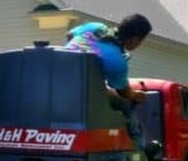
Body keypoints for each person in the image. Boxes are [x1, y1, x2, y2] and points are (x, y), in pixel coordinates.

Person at [64, 14, 152, 147]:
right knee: (126, 103)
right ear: (135, 38)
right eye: (142, 41)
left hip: (58, 83)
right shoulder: (116, 60)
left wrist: (77, 51)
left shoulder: (95, 27)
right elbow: (124, 92)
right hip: (84, 93)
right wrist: (135, 95)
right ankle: (139, 147)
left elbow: (70, 34)